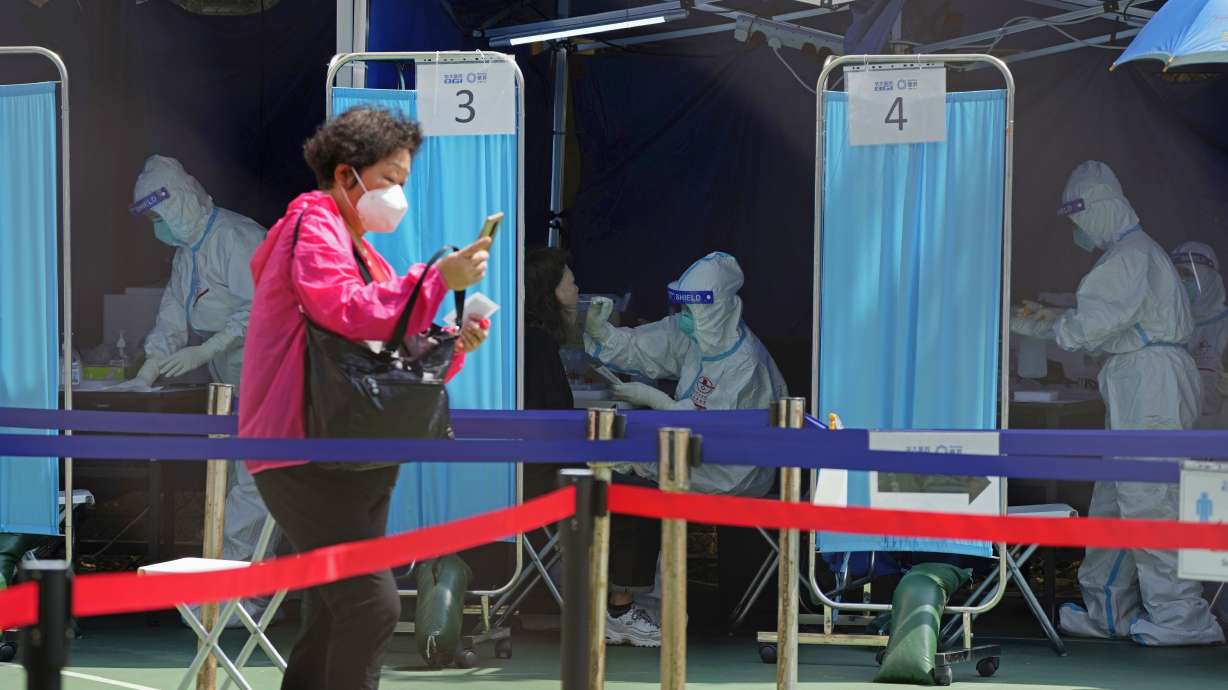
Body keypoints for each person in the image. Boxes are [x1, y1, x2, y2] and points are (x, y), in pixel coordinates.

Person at [239, 107, 491, 689]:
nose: (399, 193)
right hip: (303, 448)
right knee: (371, 605)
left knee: (330, 614)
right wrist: (436, 281)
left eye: (404, 180)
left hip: (346, 449)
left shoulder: (362, 250)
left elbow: (386, 363)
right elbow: (346, 311)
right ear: (347, 174)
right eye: (391, 179)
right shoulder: (315, 227)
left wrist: (455, 345)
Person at [1011, 160, 1223, 646]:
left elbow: (1086, 328)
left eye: (1077, 218)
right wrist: (1044, 318)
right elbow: (1098, 319)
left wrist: (1039, 322)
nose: (1075, 230)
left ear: (1098, 211)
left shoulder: (1128, 257)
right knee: (1115, 498)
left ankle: (1181, 618)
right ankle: (1105, 610)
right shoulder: (1132, 256)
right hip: (1139, 382)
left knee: (1150, 497)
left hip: (1149, 385)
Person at [121, 155, 274, 625]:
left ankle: (237, 595)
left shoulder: (236, 237)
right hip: (233, 374)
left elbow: (266, 305)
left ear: (181, 201)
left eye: (158, 215)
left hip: (274, 368)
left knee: (254, 481)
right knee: (234, 478)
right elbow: (172, 311)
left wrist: (206, 351)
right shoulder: (188, 251)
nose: (157, 227)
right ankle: (242, 588)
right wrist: (147, 371)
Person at [522, 248, 663, 646]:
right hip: (545, 475)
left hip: (535, 468)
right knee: (641, 498)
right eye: (569, 280)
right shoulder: (538, 345)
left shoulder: (530, 339)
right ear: (550, 291)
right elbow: (551, 425)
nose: (576, 287)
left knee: (624, 482)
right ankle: (619, 609)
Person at [584, 251, 788, 496]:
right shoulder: (701, 335)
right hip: (689, 451)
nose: (683, 318)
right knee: (615, 453)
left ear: (716, 310)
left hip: (733, 474)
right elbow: (648, 345)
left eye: (691, 311)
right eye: (684, 308)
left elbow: (712, 438)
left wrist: (657, 401)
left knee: (620, 457)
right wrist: (603, 334)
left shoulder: (746, 366)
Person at [1171, 242, 1228, 429]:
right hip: (1177, 438)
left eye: (1188, 276)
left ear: (1209, 278)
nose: (1182, 284)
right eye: (1177, 277)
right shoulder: (1169, 327)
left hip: (1217, 438)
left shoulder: (1224, 327)